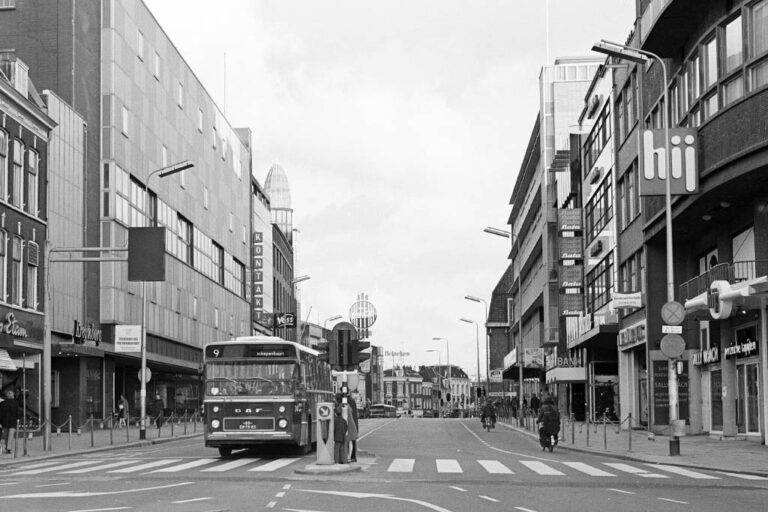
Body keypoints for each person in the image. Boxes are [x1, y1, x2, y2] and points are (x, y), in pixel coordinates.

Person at [0, 390, 19, 454]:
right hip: (13, 422)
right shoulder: (15, 403)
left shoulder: (2, 403)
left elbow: (0, 414)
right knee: (10, 436)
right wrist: (18, 419)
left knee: (6, 436)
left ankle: (6, 447)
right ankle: (9, 448)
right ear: (12, 395)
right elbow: (17, 413)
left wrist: (0, 422)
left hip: (4, 423)